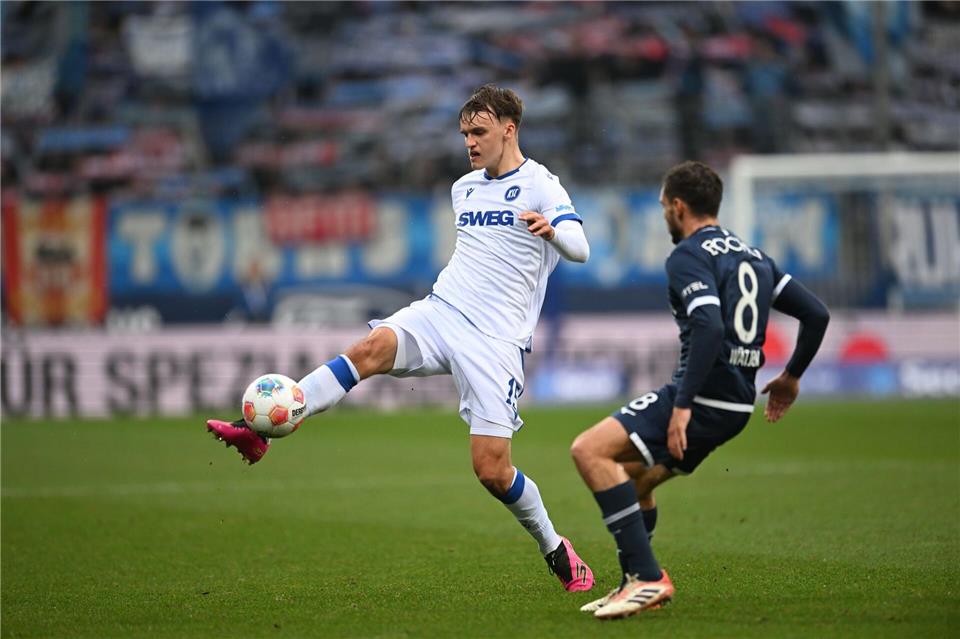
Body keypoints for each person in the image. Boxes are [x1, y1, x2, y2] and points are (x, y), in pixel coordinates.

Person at [206, 84, 595, 593]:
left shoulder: (543, 186)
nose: (470, 143)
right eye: (464, 134)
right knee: (367, 350)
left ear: (509, 129)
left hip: (495, 341)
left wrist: (553, 233)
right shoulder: (465, 189)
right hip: (441, 310)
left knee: (492, 470)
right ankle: (267, 427)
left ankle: (554, 547)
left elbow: (582, 248)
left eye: (479, 132)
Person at [570, 161, 830, 619]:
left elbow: (708, 324)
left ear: (678, 206)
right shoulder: (754, 256)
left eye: (663, 207)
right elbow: (816, 314)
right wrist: (791, 376)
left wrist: (682, 405)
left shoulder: (689, 254)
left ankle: (649, 578)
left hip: (703, 396)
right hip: (737, 404)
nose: (664, 216)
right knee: (637, 479)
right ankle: (633, 582)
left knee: (589, 451)